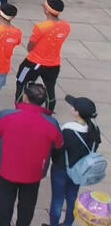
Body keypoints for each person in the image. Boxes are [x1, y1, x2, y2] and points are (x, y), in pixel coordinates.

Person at [0, 82, 64, 226]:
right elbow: (58, 144)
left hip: (8, 167)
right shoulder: (51, 123)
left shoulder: (7, 115)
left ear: (25, 97)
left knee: (4, 200)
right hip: (34, 172)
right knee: (27, 204)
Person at [51, 95, 101, 226]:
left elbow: (57, 149)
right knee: (72, 198)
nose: (72, 107)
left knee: (57, 200)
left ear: (77, 112)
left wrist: (54, 159)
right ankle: (68, 223)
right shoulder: (94, 130)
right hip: (80, 170)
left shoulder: (68, 130)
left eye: (73, 106)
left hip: (61, 168)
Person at [16, 0, 69, 112]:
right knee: (50, 89)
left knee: (21, 82)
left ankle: (19, 110)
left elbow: (31, 46)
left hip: (33, 63)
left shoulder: (41, 27)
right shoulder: (66, 26)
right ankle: (48, 113)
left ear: (47, 11)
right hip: (54, 64)